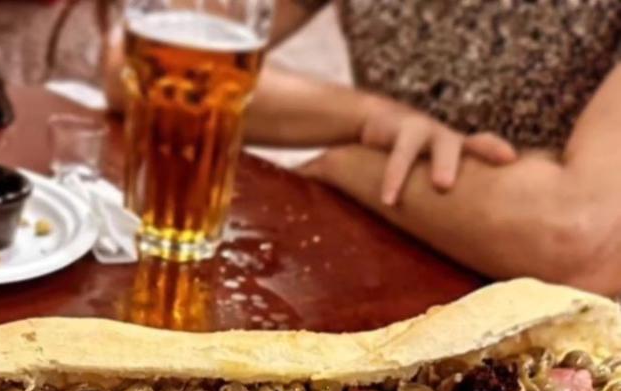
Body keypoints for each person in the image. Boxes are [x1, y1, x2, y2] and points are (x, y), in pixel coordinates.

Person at [104, 2, 621, 296]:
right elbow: (134, 66)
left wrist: (351, 161)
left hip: (566, 338)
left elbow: (578, 238)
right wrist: (371, 117)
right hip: (384, 274)